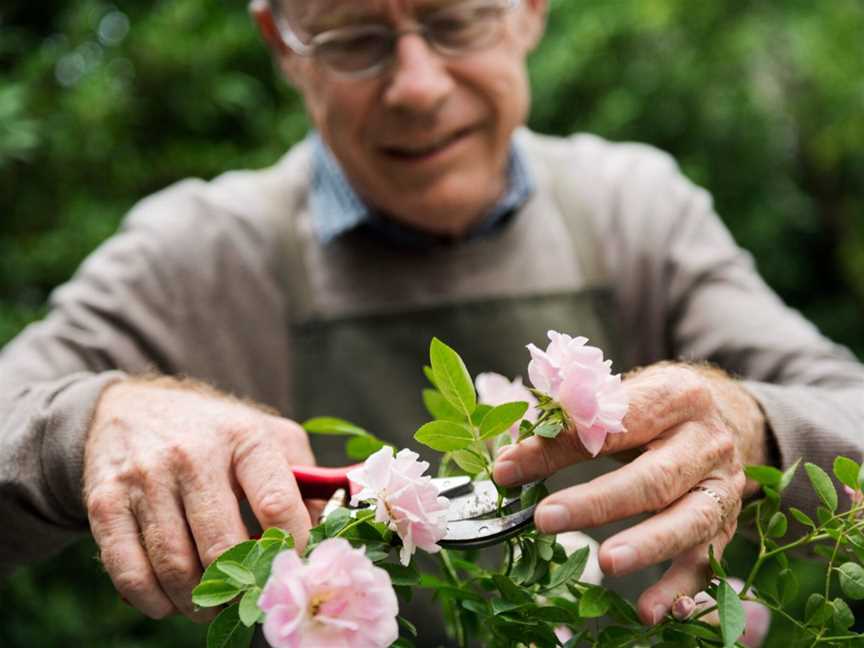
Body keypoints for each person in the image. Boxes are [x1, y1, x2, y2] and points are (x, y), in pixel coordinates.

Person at [1, 0, 862, 642]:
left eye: (454, 22)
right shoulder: (191, 254)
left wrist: (756, 426)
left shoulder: (638, 213)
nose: (416, 87)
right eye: (354, 39)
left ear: (528, 12)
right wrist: (90, 422)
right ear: (285, 45)